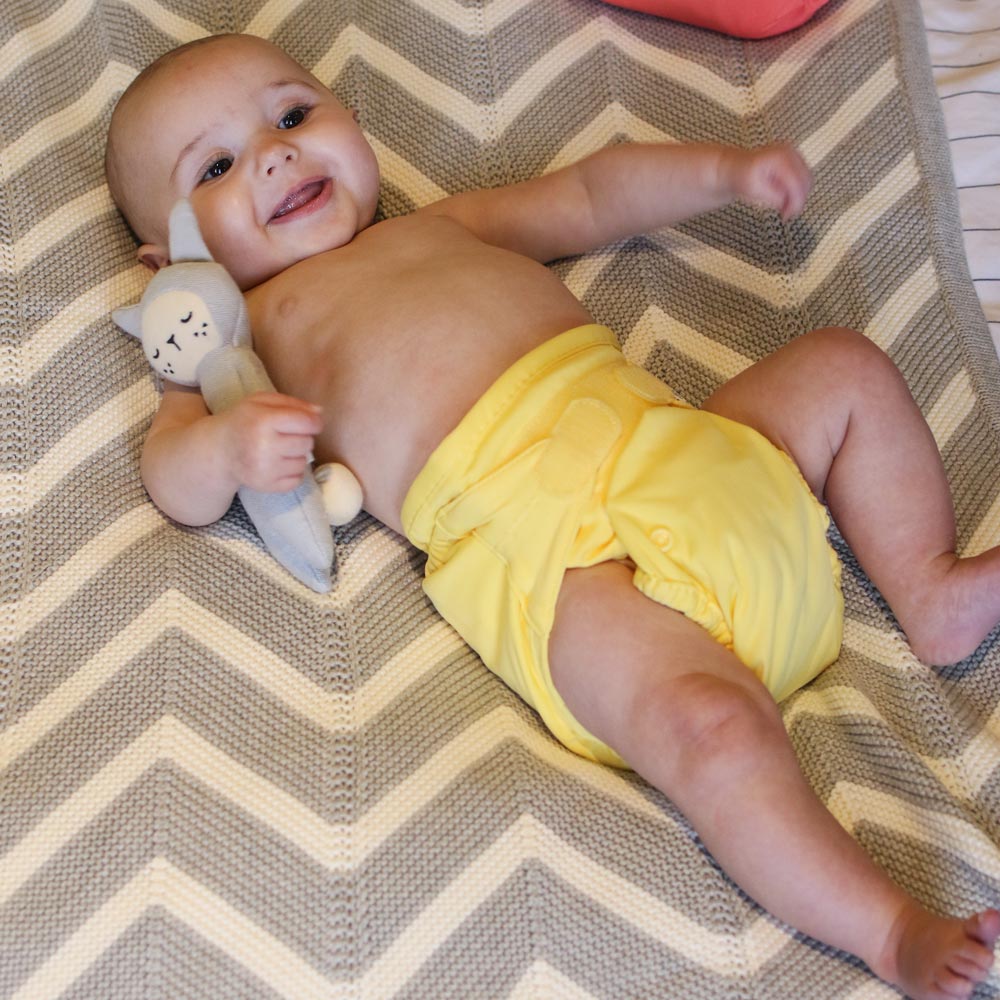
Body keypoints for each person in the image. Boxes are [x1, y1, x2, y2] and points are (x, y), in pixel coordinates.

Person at [105, 32, 1000, 999]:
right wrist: (230, 451)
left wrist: (723, 172)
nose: (275, 154)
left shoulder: (440, 227)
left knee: (842, 366)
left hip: (675, 449)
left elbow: (586, 197)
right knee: (707, 729)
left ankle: (930, 590)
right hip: (554, 562)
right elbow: (171, 472)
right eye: (221, 165)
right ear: (170, 259)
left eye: (293, 116)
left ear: (350, 122)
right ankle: (889, 929)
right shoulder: (240, 338)